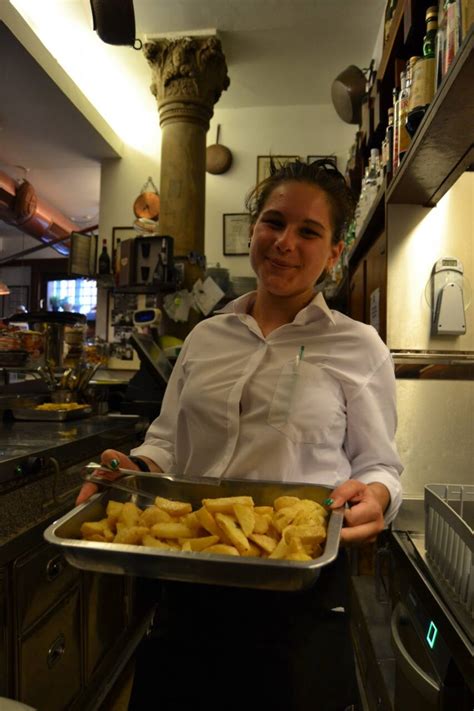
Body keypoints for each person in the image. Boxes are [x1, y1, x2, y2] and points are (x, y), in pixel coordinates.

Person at [77, 159, 403, 710]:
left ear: (334, 252)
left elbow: (379, 466)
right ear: (254, 229)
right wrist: (134, 471)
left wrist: (376, 498)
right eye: (273, 222)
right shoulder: (206, 337)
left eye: (308, 232)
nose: (284, 243)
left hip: (296, 597)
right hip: (187, 586)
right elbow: (167, 443)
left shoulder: (360, 347)